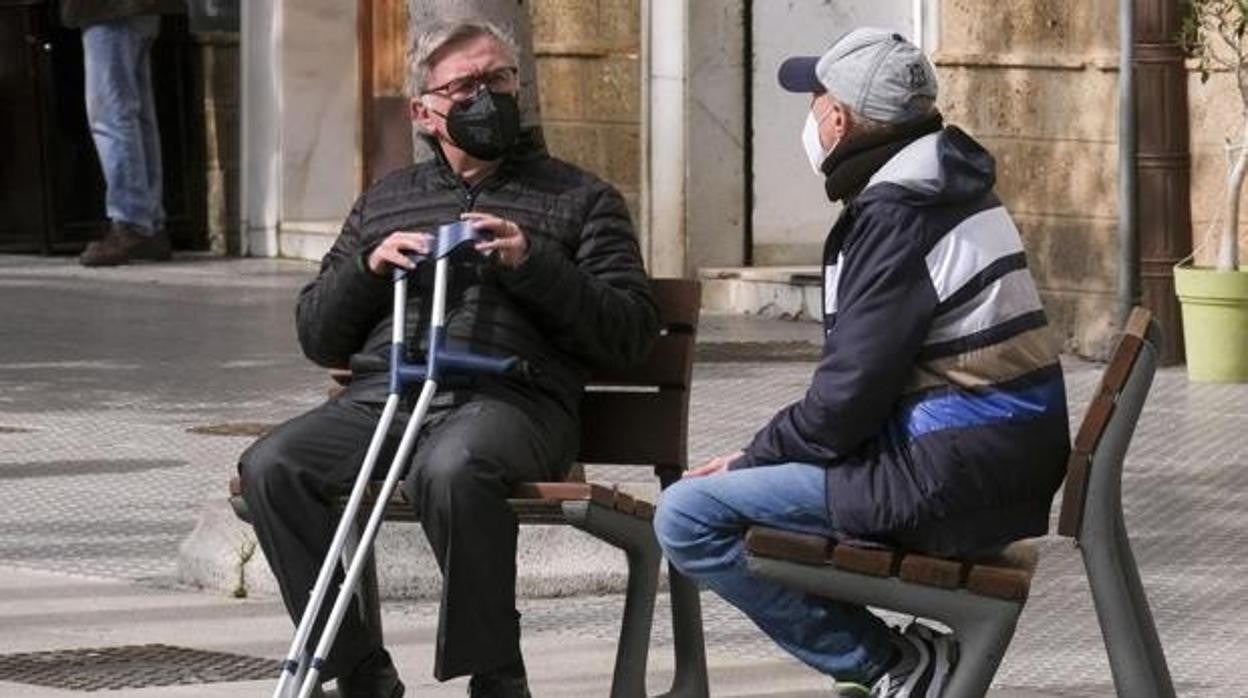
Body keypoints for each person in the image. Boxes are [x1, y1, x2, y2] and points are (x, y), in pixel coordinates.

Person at [238, 20, 657, 698]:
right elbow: (317, 334)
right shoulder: (386, 199)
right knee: (272, 466)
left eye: (499, 80)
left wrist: (532, 261)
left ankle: (497, 677)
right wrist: (368, 270)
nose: (487, 98)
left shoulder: (581, 199)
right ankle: (358, 670)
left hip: (515, 403)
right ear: (423, 110)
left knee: (454, 467)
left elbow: (630, 332)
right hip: (390, 395)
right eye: (465, 86)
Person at [654, 28, 1071, 697]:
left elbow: (845, 403)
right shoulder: (946, 186)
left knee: (688, 516)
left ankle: (895, 669)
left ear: (839, 117)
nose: (810, 117)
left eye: (814, 100)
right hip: (985, 466)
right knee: (717, 499)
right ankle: (901, 667)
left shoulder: (900, 216)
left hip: (950, 482)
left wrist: (755, 454)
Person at [60, 0, 177, 267]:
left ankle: (132, 220)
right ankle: (150, 223)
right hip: (138, 8)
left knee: (111, 113)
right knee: (135, 115)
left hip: (110, 8)